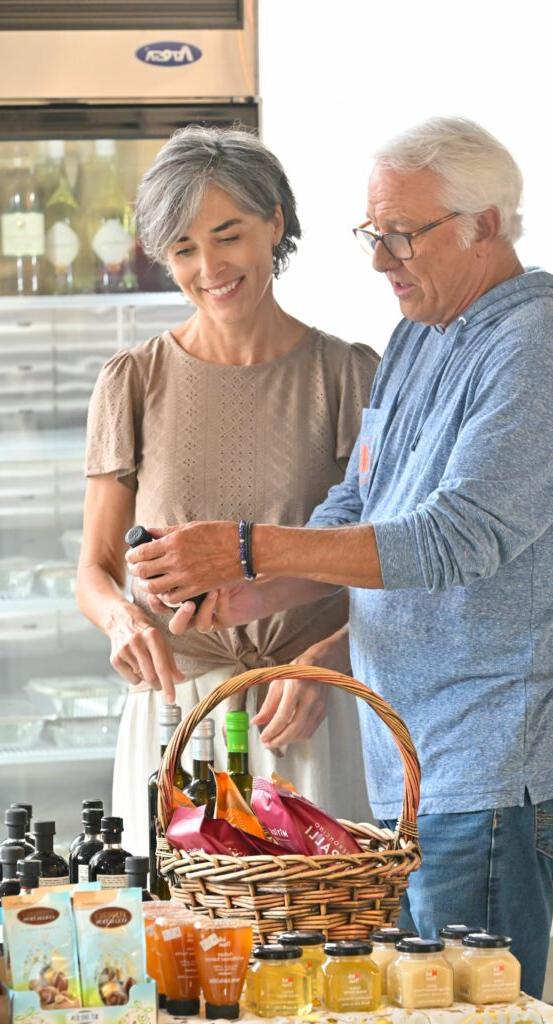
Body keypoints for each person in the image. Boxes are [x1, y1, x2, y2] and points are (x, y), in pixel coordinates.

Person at [125, 116, 553, 998]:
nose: (380, 259)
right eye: (371, 235)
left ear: (487, 225)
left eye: (401, 235)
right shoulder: (420, 335)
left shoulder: (540, 347)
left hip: (491, 774)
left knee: (462, 1013)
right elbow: (361, 505)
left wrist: (240, 544)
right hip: (421, 766)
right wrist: (251, 590)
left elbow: (453, 537)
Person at [76, 125, 378, 856]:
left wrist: (331, 662)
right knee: (179, 949)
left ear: (274, 223)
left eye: (228, 235)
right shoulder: (134, 380)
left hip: (306, 709)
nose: (208, 266)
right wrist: (123, 621)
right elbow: (93, 569)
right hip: (179, 713)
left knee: (316, 947)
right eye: (183, 249)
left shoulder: (348, 377)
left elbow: (391, 564)